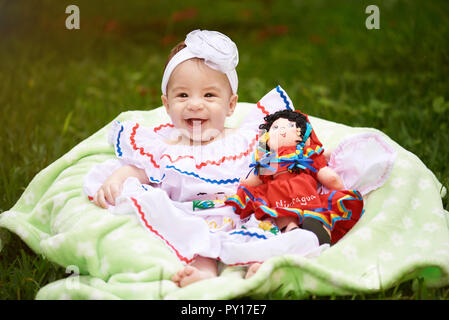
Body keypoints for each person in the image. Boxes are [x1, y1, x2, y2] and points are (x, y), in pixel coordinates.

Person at [84, 30, 325, 288]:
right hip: (196, 216)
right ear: (166, 104)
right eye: (183, 95)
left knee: (274, 224)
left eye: (209, 95)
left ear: (231, 105)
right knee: (198, 240)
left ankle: (264, 263)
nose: (195, 104)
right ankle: (204, 273)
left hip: (246, 209)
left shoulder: (245, 139)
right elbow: (140, 170)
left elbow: (278, 162)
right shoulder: (164, 146)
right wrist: (118, 178)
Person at [225, 109, 365, 276]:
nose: (282, 130)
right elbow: (252, 180)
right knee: (288, 211)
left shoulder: (307, 155)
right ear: (267, 138)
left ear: (302, 135)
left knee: (306, 209)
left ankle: (313, 231)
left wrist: (336, 181)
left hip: (296, 193)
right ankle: (296, 232)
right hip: (289, 194)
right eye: (275, 128)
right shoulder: (271, 159)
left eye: (290, 126)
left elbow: (327, 175)